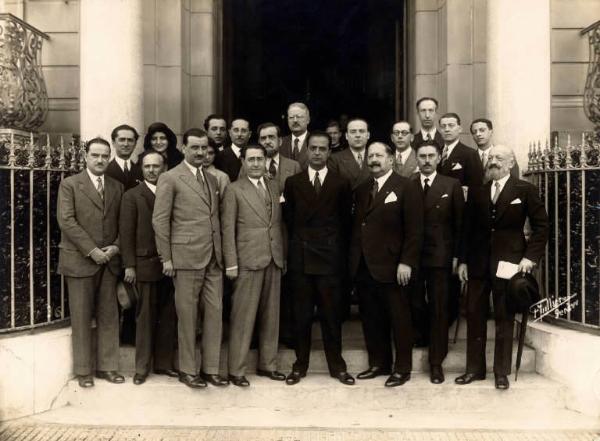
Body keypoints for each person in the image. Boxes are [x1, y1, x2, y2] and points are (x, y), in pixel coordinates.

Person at [456, 145, 548, 390]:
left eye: (499, 158)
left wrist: (530, 258)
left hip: (510, 262)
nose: (493, 161)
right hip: (477, 263)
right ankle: (474, 370)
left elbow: (542, 228)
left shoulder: (525, 190)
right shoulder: (478, 191)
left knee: (504, 317)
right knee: (474, 314)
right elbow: (467, 230)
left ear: (510, 163)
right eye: (491, 158)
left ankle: (501, 372)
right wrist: (463, 260)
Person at [152, 128, 228, 389]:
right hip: (185, 258)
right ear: (183, 148)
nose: (200, 152)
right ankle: (187, 370)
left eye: (204, 148)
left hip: (213, 258)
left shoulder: (213, 179)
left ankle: (211, 369)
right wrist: (166, 258)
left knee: (215, 314)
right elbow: (160, 220)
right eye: (194, 147)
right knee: (187, 317)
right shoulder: (170, 178)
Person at [283, 131, 354, 386]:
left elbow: (345, 222)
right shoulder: (293, 182)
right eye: (312, 148)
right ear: (307, 151)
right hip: (302, 258)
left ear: (328, 152)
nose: (316, 153)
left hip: (330, 259)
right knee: (301, 315)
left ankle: (337, 366)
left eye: (322, 149)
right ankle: (299, 366)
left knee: (331, 315)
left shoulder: (341, 183)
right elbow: (290, 220)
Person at [350, 142, 423, 387]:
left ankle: (402, 369)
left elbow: (415, 230)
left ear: (391, 159)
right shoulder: (361, 190)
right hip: (366, 266)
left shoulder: (407, 187)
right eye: (370, 156)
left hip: (394, 267)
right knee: (371, 318)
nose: (374, 160)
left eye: (379, 155)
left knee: (399, 319)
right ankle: (379, 364)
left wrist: (407, 262)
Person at [57, 137, 124, 388]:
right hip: (80, 260)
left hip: (109, 261)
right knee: (82, 316)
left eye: (105, 155)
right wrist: (92, 250)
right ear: (85, 156)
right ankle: (84, 371)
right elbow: (67, 221)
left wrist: (116, 246)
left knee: (109, 315)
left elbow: (123, 222)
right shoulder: (70, 185)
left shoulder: (117, 186)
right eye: (95, 155)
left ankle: (108, 367)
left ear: (110, 157)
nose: (100, 160)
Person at [222, 144, 286, 387]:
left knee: (271, 316)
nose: (256, 163)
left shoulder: (273, 185)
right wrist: (231, 263)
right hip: (247, 260)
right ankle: (236, 370)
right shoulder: (233, 190)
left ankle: (268, 365)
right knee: (243, 316)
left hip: (273, 258)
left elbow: (278, 225)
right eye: (251, 159)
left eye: (260, 159)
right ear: (243, 162)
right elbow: (228, 229)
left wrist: (283, 257)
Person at [119, 150, 178, 385]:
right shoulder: (132, 196)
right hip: (144, 265)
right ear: (141, 169)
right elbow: (126, 234)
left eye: (157, 166)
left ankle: (164, 364)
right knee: (144, 318)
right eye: (147, 166)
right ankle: (141, 368)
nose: (152, 170)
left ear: (164, 168)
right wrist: (129, 266)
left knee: (168, 316)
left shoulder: (173, 193)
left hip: (171, 265)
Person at [411, 141, 464, 384]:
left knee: (439, 307)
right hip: (412, 256)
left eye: (431, 155)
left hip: (441, 256)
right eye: (422, 156)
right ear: (416, 158)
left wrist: (458, 257)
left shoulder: (450, 185)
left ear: (439, 157)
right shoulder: (407, 184)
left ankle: (436, 362)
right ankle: (421, 337)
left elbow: (460, 224)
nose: (426, 160)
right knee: (414, 302)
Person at [437, 112, 483, 190]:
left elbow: (476, 186)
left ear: (459, 129)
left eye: (451, 125)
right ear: (440, 130)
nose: (447, 129)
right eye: (443, 126)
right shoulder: (435, 152)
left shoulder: (470, 154)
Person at [328, 118, 371, 191]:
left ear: (368, 135)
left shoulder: (376, 157)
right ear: (346, 136)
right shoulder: (334, 159)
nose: (357, 135)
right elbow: (333, 190)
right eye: (353, 132)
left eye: (361, 131)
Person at [106, 124, 143, 190]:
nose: (126, 144)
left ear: (135, 144)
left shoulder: (141, 171)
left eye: (130, 140)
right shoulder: (105, 170)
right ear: (113, 143)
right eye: (122, 140)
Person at [214, 118, 250, 182]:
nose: (239, 134)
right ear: (230, 133)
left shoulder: (255, 155)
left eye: (243, 131)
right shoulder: (220, 156)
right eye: (236, 130)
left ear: (249, 134)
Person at [280, 102, 310, 169]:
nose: (295, 120)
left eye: (299, 117)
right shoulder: (280, 143)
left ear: (308, 120)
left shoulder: (315, 141)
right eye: (291, 117)